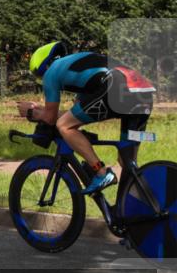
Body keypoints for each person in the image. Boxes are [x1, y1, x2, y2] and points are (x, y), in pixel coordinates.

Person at [17, 42, 155, 195]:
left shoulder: (51, 72)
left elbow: (51, 120)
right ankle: (145, 206)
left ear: (42, 67)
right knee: (127, 162)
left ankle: (101, 173)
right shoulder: (80, 66)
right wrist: (41, 110)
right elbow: (74, 115)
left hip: (116, 88)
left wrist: (30, 112)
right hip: (143, 92)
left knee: (64, 126)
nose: (43, 80)